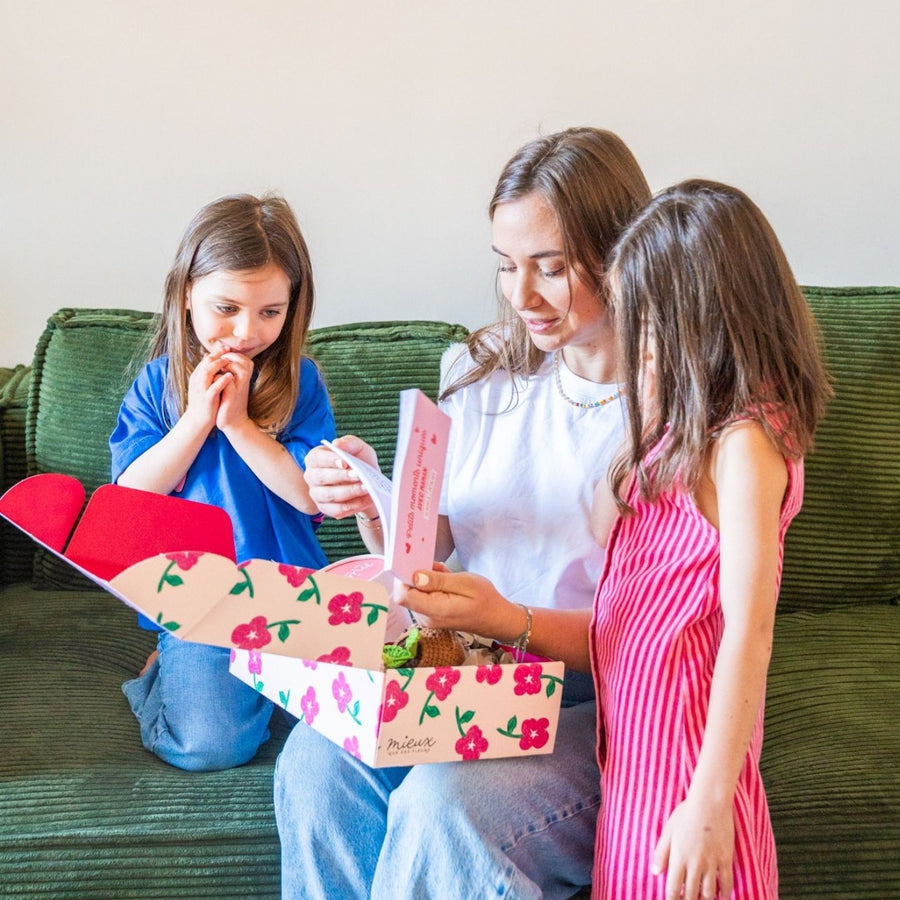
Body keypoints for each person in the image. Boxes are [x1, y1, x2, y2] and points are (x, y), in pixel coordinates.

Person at [407, 180, 831, 899]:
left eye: (649, 327)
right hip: (628, 759)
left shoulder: (746, 445)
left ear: (706, 320)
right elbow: (622, 624)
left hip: (679, 765)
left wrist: (710, 801)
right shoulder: (674, 439)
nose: (635, 349)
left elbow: (747, 633)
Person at [273, 127, 651, 899]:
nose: (522, 296)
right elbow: (428, 548)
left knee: (444, 808)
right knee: (315, 765)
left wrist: (511, 617)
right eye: (507, 266)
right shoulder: (480, 368)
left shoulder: (664, 410)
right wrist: (373, 498)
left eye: (550, 268)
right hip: (466, 669)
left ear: (622, 256)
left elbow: (655, 636)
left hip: (595, 702)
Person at [109, 193, 334, 772]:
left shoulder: (300, 383)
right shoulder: (157, 385)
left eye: (269, 312)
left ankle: (250, 688)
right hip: (198, 601)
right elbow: (131, 499)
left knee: (345, 724)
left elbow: (309, 495)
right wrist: (197, 419)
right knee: (212, 745)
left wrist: (238, 424)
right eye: (226, 307)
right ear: (187, 295)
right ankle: (163, 676)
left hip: (292, 591)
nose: (245, 331)